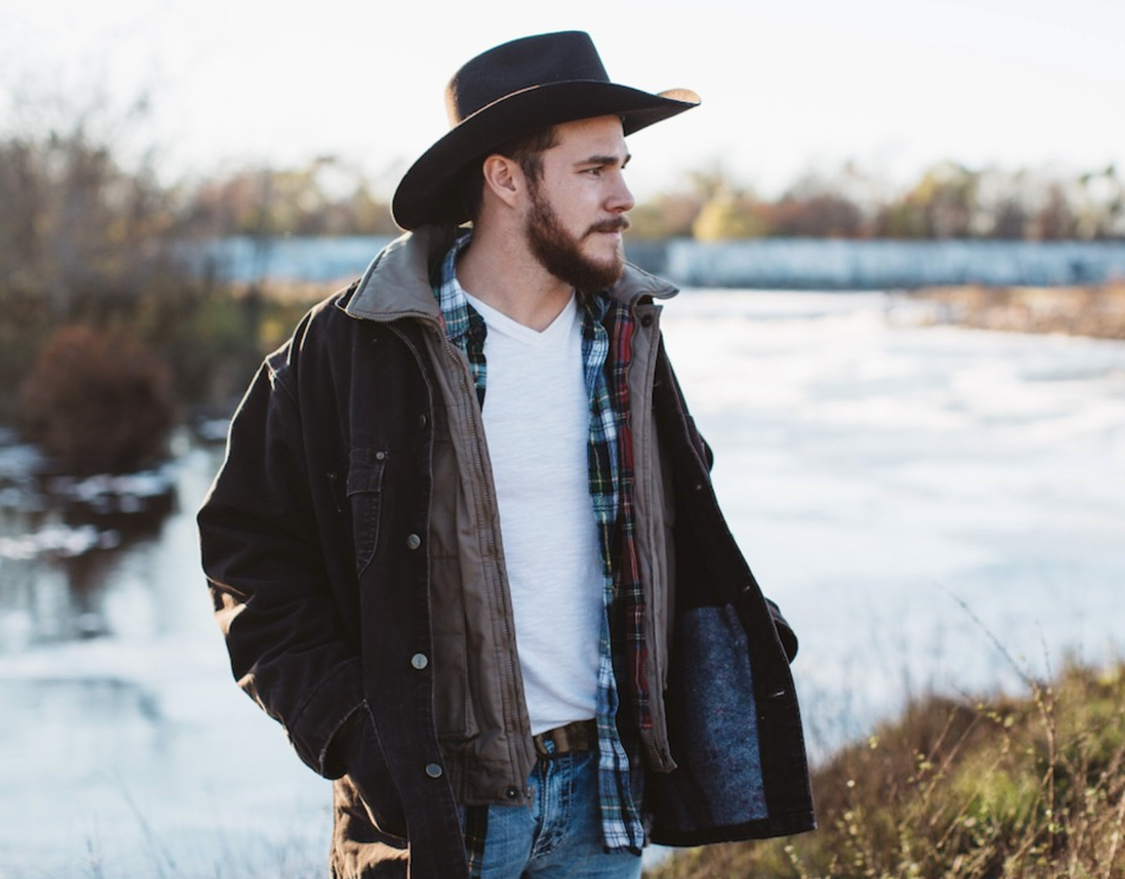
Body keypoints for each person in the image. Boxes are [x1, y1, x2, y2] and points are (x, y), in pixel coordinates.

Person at [198, 30, 814, 879]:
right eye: (593, 170)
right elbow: (248, 555)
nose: (624, 195)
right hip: (433, 817)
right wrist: (350, 730)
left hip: (604, 803)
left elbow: (681, 519)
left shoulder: (626, 337)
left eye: (622, 165)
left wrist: (746, 636)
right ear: (505, 179)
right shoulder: (352, 345)